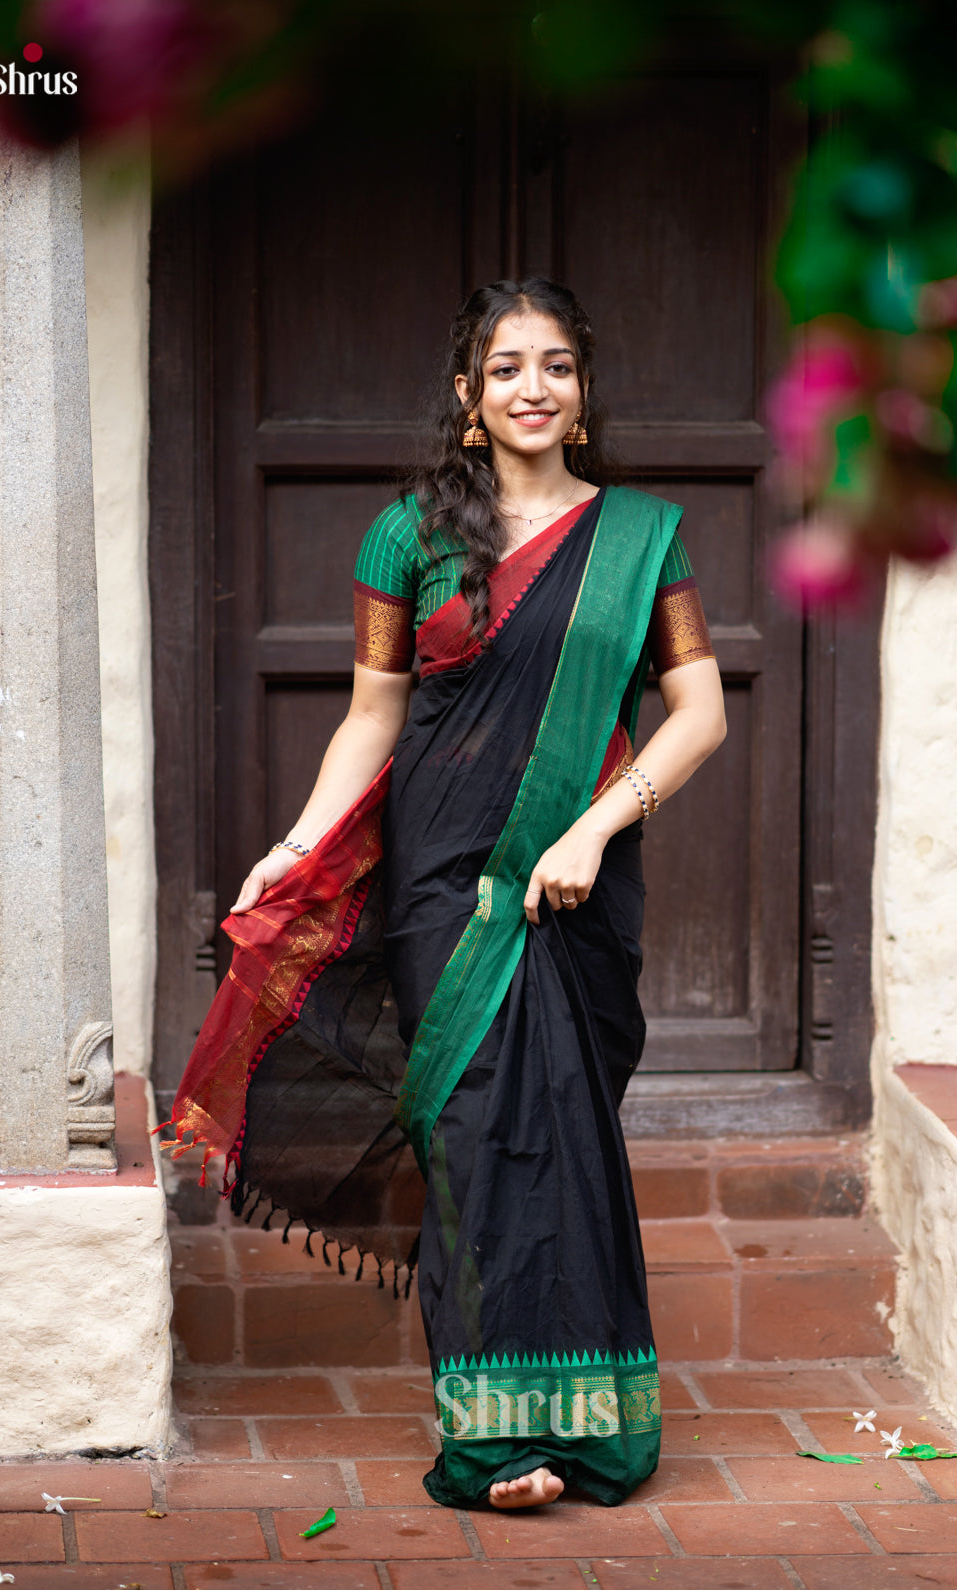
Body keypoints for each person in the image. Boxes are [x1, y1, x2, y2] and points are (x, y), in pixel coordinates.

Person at [163, 277, 726, 1511]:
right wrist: (299, 842)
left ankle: (596, 1429)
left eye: (559, 365)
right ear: (469, 400)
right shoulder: (408, 536)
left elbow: (700, 713)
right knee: (470, 1141)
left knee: (567, 1139)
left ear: (583, 393)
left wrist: (592, 827)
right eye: (509, 367)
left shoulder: (641, 536)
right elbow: (375, 719)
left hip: (575, 875)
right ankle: (489, 1444)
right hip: (440, 882)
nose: (536, 387)